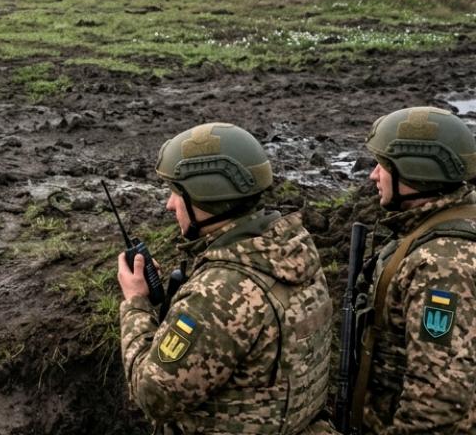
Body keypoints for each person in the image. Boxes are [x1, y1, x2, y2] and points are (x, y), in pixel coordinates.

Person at [117, 122, 332, 434]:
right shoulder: (291, 250)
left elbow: (154, 397)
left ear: (203, 196)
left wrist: (136, 304)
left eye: (177, 193)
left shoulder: (217, 294)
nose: (170, 204)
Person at [353, 106, 476, 434]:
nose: (373, 176)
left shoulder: (441, 267)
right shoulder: (452, 221)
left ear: (415, 172)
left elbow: (438, 400)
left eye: (382, 166)